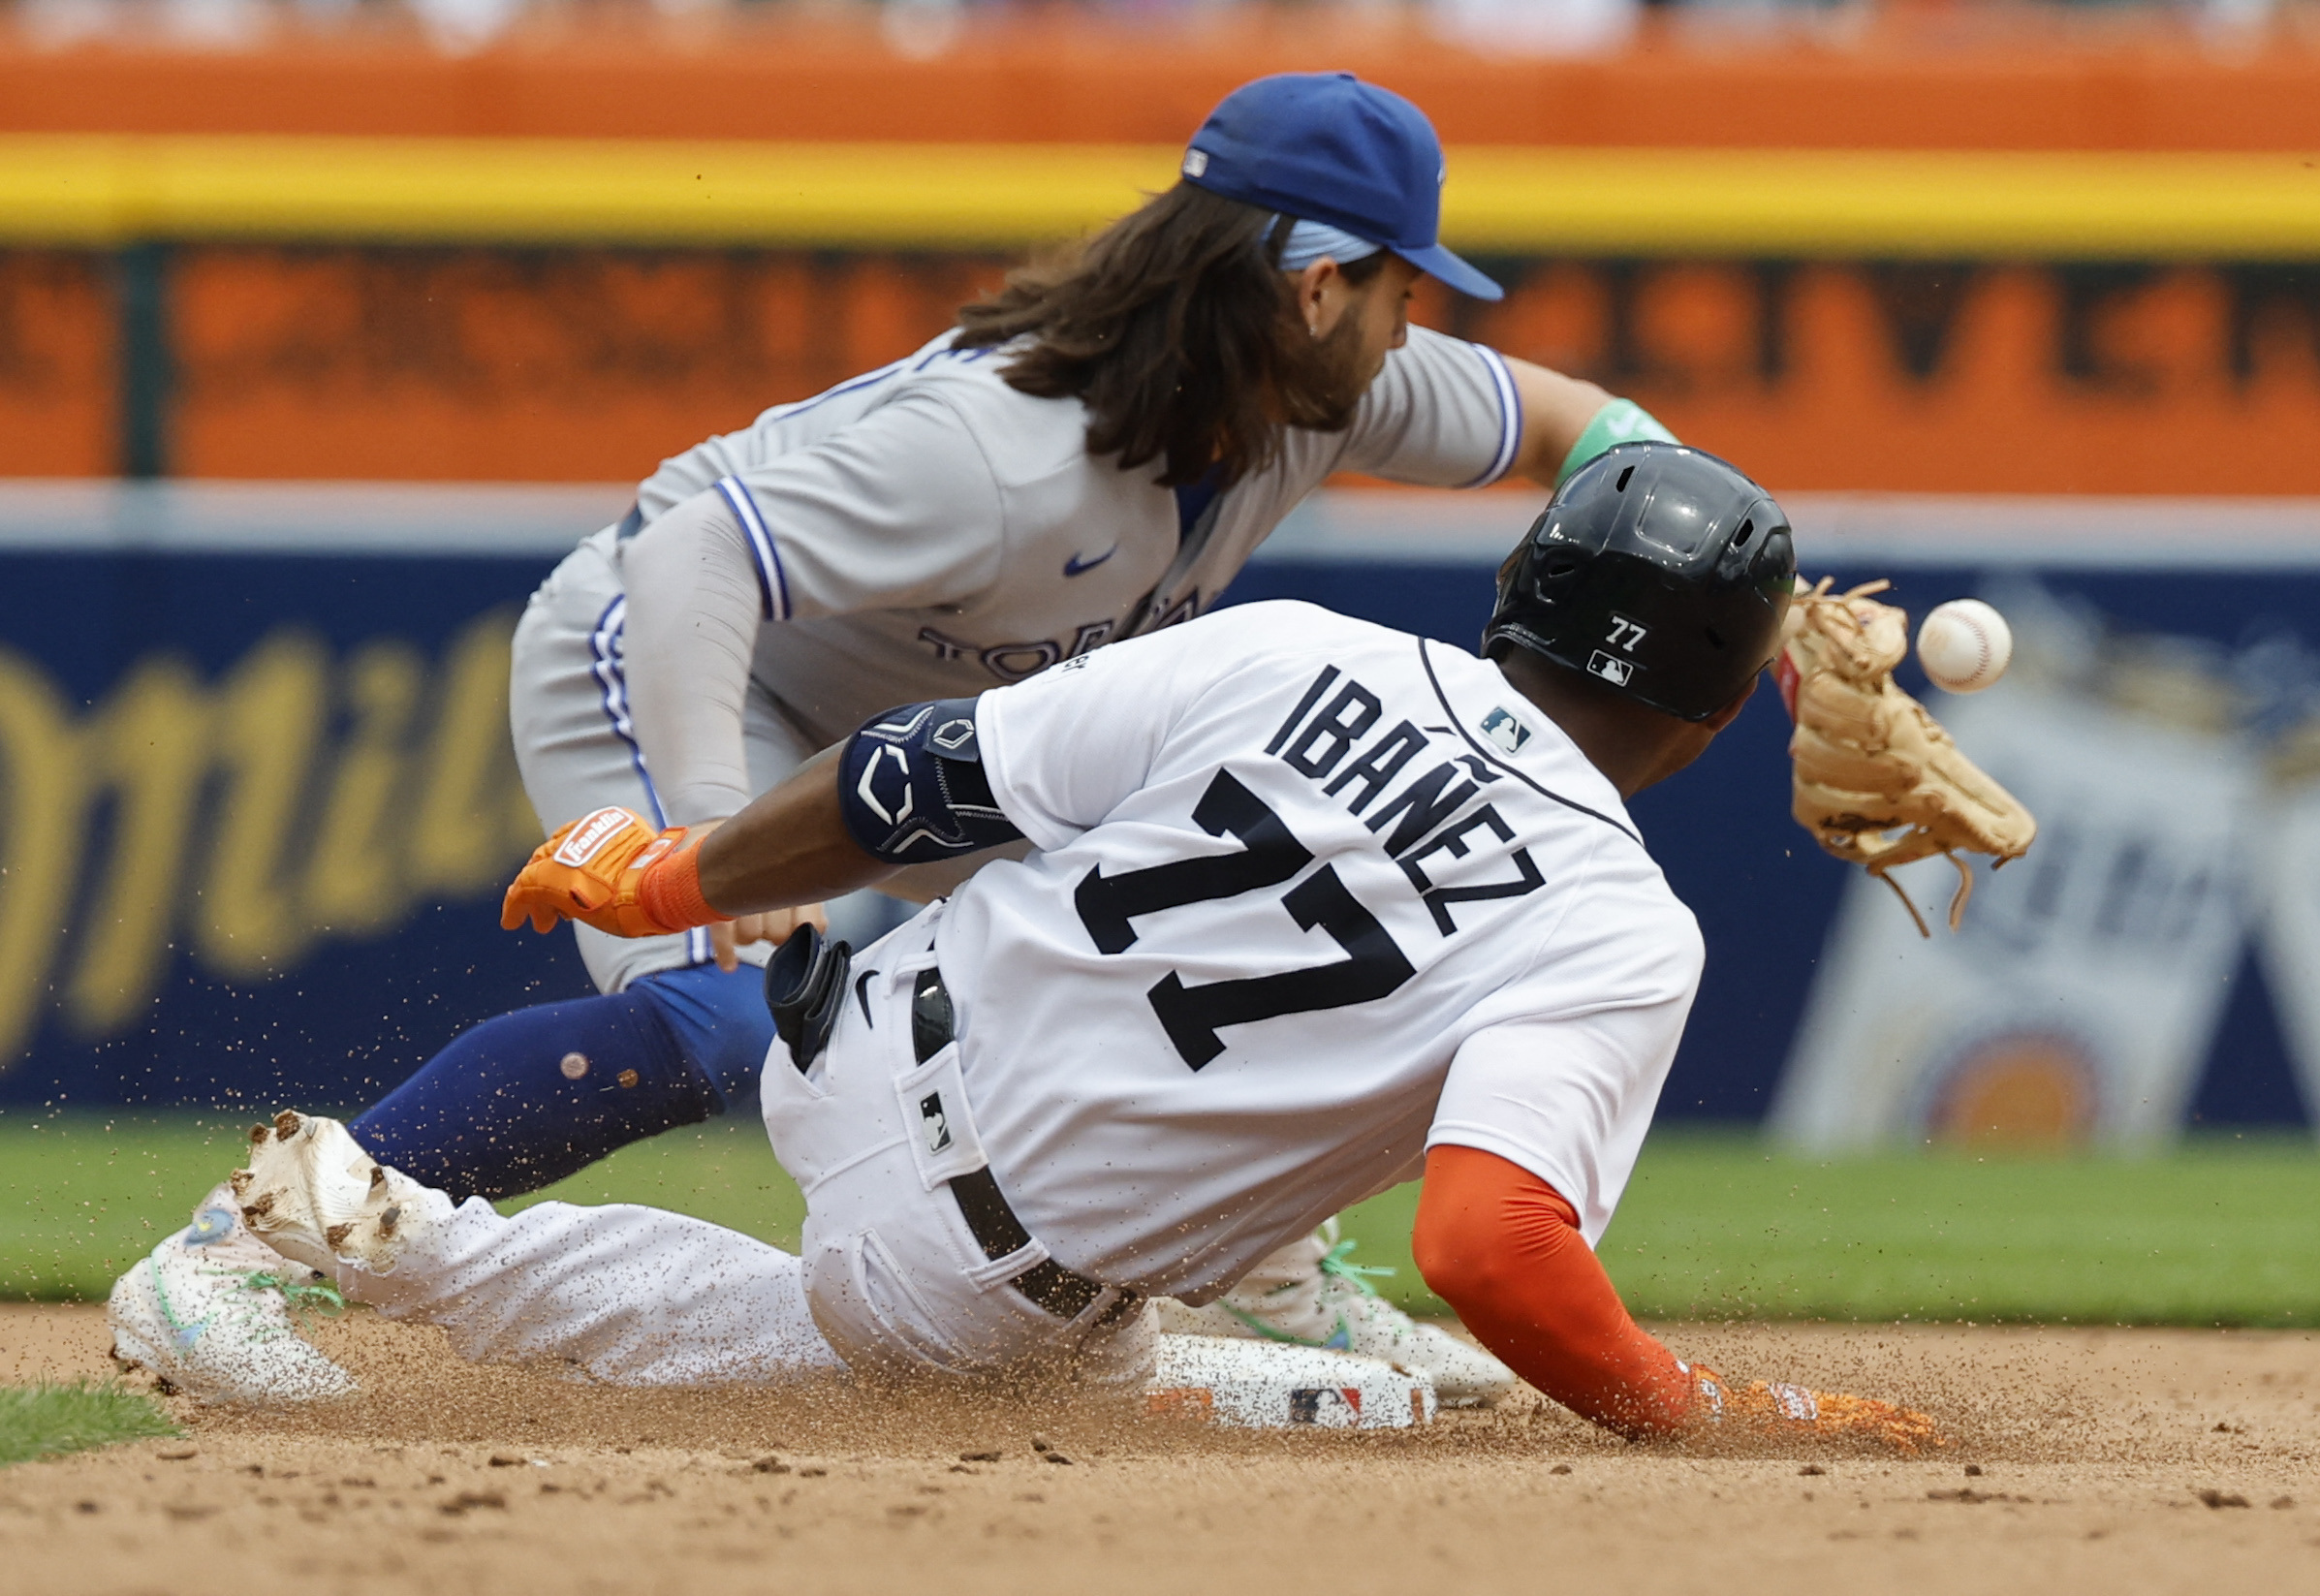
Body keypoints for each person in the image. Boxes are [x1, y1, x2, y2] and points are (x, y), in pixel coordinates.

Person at [106, 69, 1690, 1406]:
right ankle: (232, 1256)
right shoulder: (1000, 453)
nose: (1421, 317)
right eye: (1405, 282)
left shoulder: (1331, 393)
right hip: (685, 656)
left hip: (922, 711)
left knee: (1205, 911)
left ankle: (1276, 1278)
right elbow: (687, 555)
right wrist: (711, 838)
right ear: (1314, 282)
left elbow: (1581, 430)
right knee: (712, 1022)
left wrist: (1731, 554)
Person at [202, 445, 1933, 1451]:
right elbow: (1488, 1241)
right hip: (967, 1294)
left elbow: (909, 781)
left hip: (853, 1023)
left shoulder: (1292, 648)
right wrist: (1676, 1404)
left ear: (1516, 589)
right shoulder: (1621, 927)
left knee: (1260, 1391)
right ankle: (399, 1239)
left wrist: (669, 883)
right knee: (1226, 1394)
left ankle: (360, 1209)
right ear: (1710, 719)